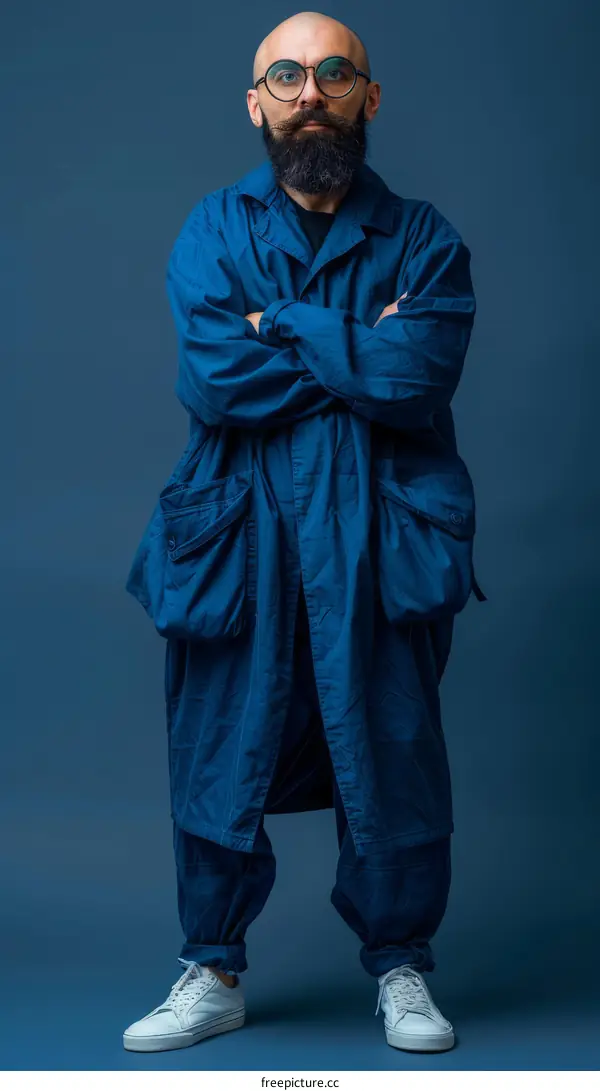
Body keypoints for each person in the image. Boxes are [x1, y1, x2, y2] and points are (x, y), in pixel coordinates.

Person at [123, 10, 486, 1055]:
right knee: (219, 747)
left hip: (379, 536)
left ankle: (403, 964)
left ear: (371, 97)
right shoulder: (211, 228)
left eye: (334, 71)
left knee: (395, 747)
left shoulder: (424, 237)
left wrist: (281, 322)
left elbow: (418, 375)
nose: (309, 90)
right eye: (285, 74)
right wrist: (354, 347)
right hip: (241, 537)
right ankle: (213, 966)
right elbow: (216, 380)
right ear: (256, 103)